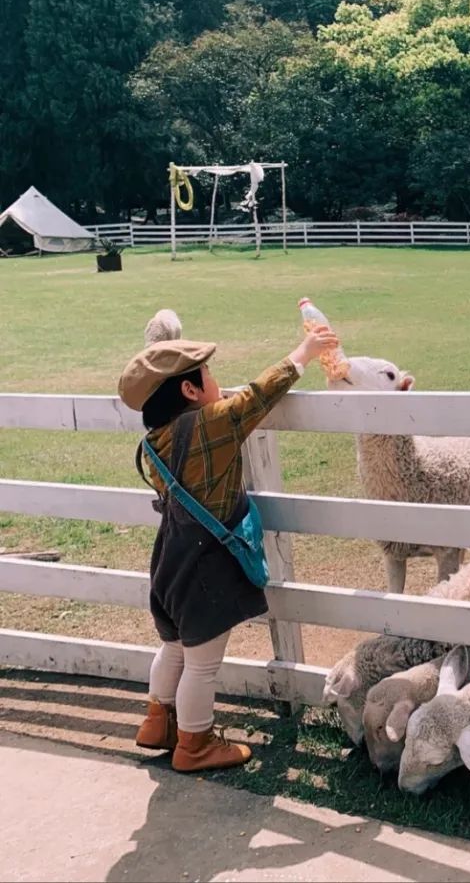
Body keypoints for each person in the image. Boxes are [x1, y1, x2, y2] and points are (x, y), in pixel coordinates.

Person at [118, 323, 339, 771]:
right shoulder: (210, 426)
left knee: (175, 648)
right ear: (190, 388)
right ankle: (195, 746)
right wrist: (305, 351)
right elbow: (256, 398)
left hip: (168, 560)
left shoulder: (155, 440)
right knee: (201, 664)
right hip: (204, 568)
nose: (217, 381)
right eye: (209, 374)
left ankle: (157, 722)